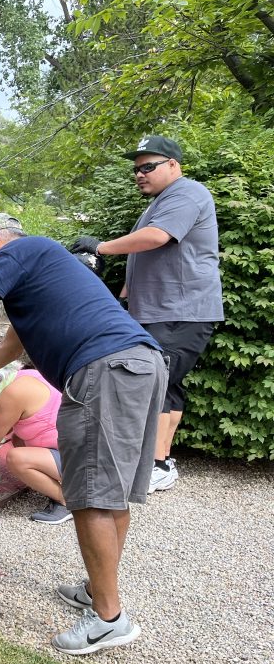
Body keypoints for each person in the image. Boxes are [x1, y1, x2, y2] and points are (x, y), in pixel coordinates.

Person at [0, 213, 166, 655]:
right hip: (139, 364)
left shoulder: (23, 250)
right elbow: (8, 349)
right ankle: (97, 590)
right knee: (112, 492)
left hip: (103, 369)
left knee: (88, 495)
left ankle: (109, 619)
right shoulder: (42, 277)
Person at [71, 135, 223, 493]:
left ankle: (155, 465)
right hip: (160, 309)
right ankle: (162, 461)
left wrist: (100, 247)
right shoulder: (161, 201)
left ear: (174, 164)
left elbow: (156, 238)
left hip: (180, 310)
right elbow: (147, 257)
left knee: (154, 383)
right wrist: (124, 297)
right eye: (136, 169)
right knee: (168, 384)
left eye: (148, 166)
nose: (140, 174)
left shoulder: (187, 193)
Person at [0, 363, 71, 525]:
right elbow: (6, 425)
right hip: (80, 451)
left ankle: (66, 501)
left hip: (82, 463)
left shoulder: (12, 394)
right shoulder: (25, 376)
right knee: (18, 439)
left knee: (17, 459)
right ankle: (58, 482)